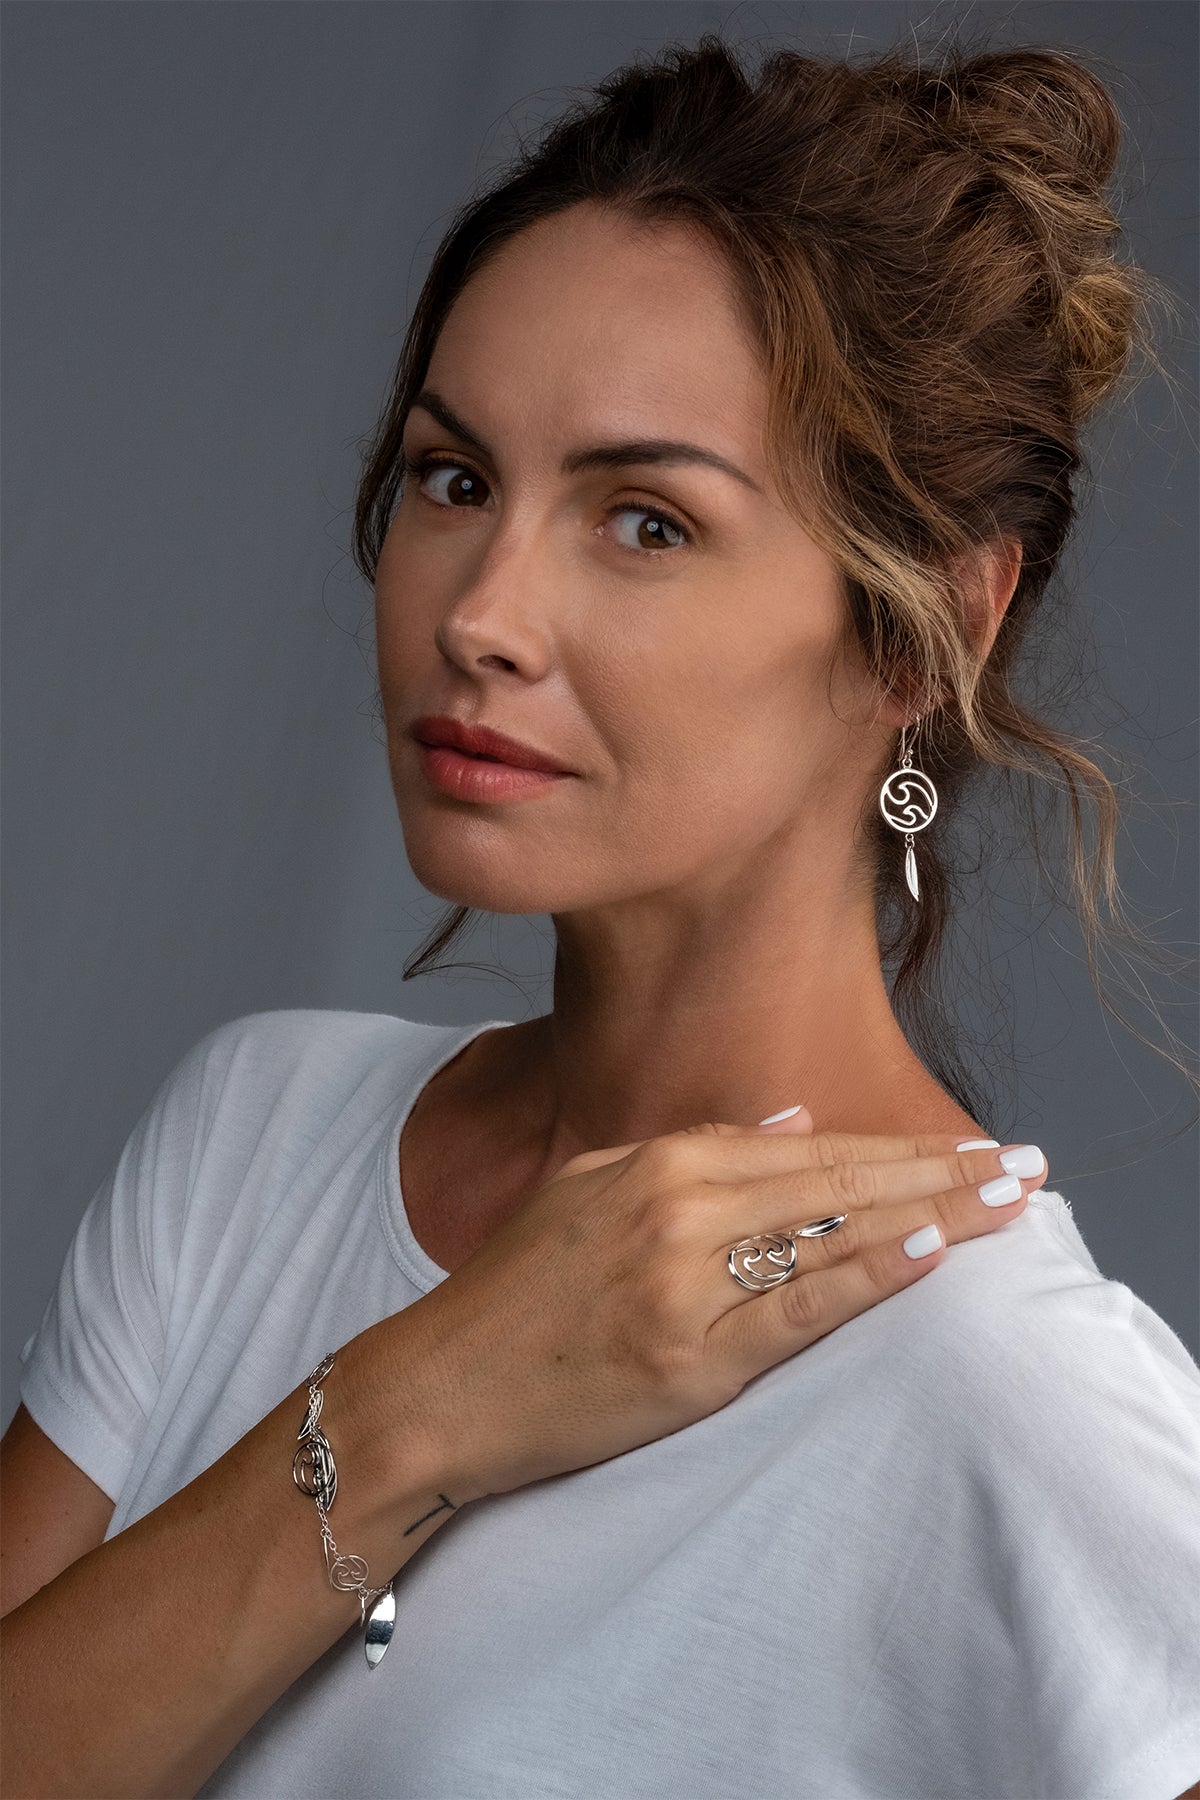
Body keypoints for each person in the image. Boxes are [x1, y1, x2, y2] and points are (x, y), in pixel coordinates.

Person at [3, 28, 1198, 1800]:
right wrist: (416, 1404)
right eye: (455, 479)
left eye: (645, 522)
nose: (480, 615)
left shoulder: (1004, 1395)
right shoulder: (254, 1133)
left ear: (927, 630)